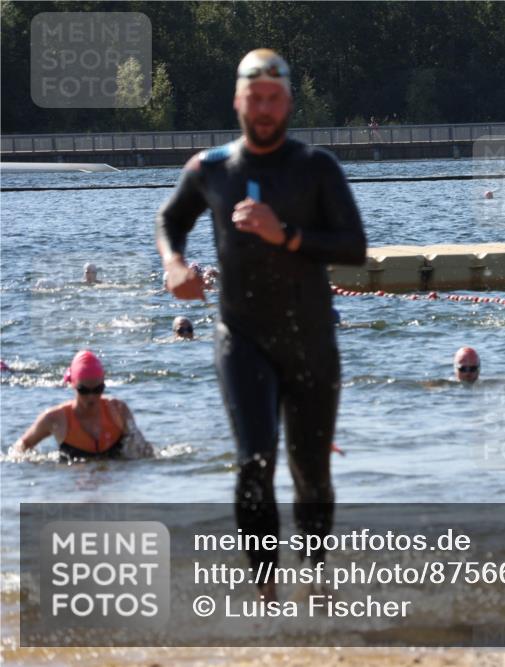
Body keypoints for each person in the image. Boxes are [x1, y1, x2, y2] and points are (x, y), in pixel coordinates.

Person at [156, 48, 368, 601]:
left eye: (275, 99)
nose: (266, 109)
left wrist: (288, 236)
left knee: (310, 472)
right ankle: (265, 596)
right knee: (254, 462)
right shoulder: (211, 169)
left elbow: (354, 248)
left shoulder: (315, 168)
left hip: (311, 340)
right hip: (241, 337)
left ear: (289, 102)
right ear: (238, 101)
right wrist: (174, 263)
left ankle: (318, 582)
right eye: (256, 99)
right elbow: (170, 219)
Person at [10, 350, 152, 461]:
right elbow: (21, 447)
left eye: (97, 389)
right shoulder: (55, 418)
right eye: (84, 390)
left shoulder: (118, 410)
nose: (91, 397)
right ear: (72, 385)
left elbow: (144, 451)